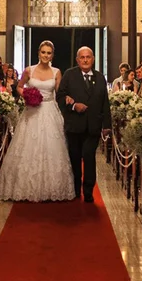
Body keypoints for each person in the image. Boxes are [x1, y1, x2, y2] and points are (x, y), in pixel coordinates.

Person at [0, 41, 75, 202]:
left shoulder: (56, 72)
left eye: (49, 53)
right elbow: (19, 86)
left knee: (52, 147)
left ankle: (52, 188)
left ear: (52, 55)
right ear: (38, 53)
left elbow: (59, 92)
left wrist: (67, 97)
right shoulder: (29, 70)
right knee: (27, 146)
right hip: (32, 111)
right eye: (43, 52)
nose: (46, 55)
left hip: (50, 110)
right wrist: (27, 94)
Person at [56, 46, 112, 202]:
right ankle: (75, 189)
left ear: (93, 59)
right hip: (74, 125)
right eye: (82, 57)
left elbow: (105, 103)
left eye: (88, 57)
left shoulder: (100, 77)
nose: (85, 60)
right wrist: (74, 106)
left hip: (93, 126)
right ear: (77, 60)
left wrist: (107, 125)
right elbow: (60, 97)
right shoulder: (69, 75)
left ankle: (88, 191)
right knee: (74, 158)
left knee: (89, 156)